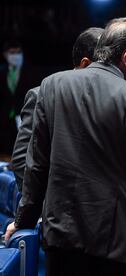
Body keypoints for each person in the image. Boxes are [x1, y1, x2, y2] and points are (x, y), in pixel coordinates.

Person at [5, 17, 126, 276]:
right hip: (116, 244)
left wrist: (22, 222)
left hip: (62, 236)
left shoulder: (52, 86)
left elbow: (36, 167)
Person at [11, 27, 104, 192]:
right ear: (85, 64)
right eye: (106, 68)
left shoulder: (111, 101)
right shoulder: (41, 95)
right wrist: (45, 206)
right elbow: (21, 161)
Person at [0, 39, 43, 155]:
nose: (16, 56)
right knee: (5, 149)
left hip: (24, 116)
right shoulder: (2, 72)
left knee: (23, 148)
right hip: (5, 118)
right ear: (5, 54)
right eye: (12, 52)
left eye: (18, 52)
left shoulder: (31, 72)